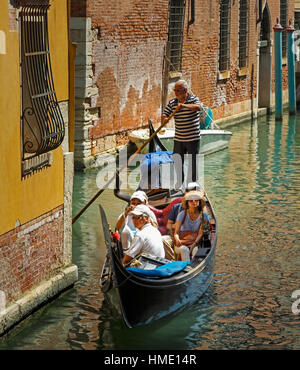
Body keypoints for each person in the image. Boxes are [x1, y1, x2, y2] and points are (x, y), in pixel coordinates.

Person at [161, 80, 207, 188]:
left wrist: (184, 106)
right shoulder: (173, 102)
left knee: (192, 163)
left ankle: (191, 185)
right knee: (177, 161)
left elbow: (198, 107)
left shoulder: (193, 99)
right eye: (175, 91)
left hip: (193, 138)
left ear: (185, 90)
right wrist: (164, 118)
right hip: (179, 138)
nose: (176, 93)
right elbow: (165, 113)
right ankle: (179, 182)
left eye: (178, 90)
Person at [161, 182, 203, 260]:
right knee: (163, 240)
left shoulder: (200, 209)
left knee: (194, 250)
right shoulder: (176, 208)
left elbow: (205, 226)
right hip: (177, 236)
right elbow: (168, 225)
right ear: (185, 193)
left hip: (194, 238)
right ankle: (171, 262)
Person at [173, 190, 210, 262]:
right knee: (185, 249)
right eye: (191, 200)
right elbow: (176, 233)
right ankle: (187, 268)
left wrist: (194, 244)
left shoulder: (204, 215)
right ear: (187, 203)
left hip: (195, 242)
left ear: (199, 202)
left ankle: (193, 268)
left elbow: (201, 233)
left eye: (196, 200)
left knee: (196, 251)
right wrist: (177, 239)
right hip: (181, 243)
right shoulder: (182, 214)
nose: (194, 202)